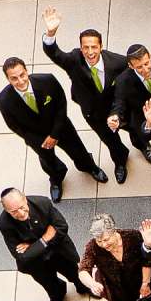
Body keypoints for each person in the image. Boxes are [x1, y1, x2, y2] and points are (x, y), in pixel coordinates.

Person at [37, 10, 130, 182]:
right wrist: (51, 33)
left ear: (101, 47)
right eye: (85, 47)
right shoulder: (74, 60)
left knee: (136, 131)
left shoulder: (118, 62)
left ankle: (143, 146)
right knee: (112, 142)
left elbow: (130, 79)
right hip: (95, 114)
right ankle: (121, 162)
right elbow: (55, 54)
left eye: (94, 47)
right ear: (81, 48)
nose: (90, 52)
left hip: (119, 107)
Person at [0, 56, 101, 202]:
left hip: (61, 127)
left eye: (22, 75)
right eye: (14, 78)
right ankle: (56, 179)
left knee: (78, 150)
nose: (20, 81)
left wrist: (54, 134)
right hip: (37, 138)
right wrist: (40, 140)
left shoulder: (47, 81)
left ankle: (90, 167)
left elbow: (61, 105)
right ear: (8, 79)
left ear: (26, 71)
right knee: (48, 161)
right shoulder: (3, 100)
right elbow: (14, 126)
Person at [0, 186, 86, 301]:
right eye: (14, 211)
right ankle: (56, 298)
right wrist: (44, 240)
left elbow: (61, 227)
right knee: (49, 283)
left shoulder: (42, 203)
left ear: (25, 199)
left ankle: (82, 286)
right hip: (36, 263)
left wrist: (32, 246)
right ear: (6, 211)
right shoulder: (4, 223)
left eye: (21, 207)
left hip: (59, 251)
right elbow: (21, 256)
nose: (21, 214)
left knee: (74, 272)